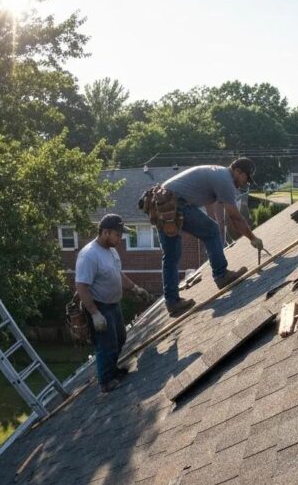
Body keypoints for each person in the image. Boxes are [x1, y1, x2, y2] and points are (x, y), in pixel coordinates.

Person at [159, 158, 264, 317]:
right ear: (238, 171)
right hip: (173, 203)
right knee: (212, 230)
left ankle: (172, 301)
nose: (245, 183)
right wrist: (253, 238)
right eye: (245, 178)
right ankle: (221, 275)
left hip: (160, 203)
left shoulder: (218, 174)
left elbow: (210, 206)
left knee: (171, 255)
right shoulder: (225, 180)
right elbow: (235, 217)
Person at [75, 214, 153, 393]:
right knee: (106, 344)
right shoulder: (89, 255)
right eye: (117, 235)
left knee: (120, 338)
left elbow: (118, 274)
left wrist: (135, 288)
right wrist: (95, 313)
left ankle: (113, 370)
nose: (120, 238)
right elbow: (81, 287)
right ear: (105, 232)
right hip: (100, 307)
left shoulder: (111, 251)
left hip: (113, 304)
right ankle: (105, 382)